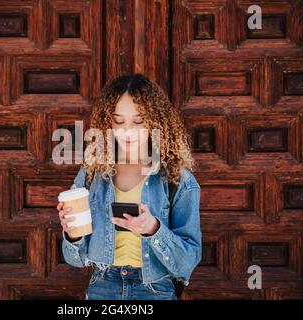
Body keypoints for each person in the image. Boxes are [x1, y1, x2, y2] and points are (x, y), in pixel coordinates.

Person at [57, 74, 201, 300]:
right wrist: (72, 234)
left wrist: (153, 229)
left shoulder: (178, 180)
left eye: (139, 121)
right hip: (102, 286)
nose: (128, 131)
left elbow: (187, 263)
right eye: (118, 120)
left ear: (156, 120)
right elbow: (75, 260)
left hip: (155, 290)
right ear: (107, 121)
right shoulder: (91, 174)